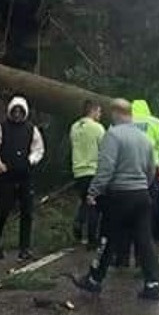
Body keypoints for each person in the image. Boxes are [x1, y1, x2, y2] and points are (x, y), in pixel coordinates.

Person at [72, 99, 159, 299]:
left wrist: (93, 191)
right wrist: (143, 186)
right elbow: (151, 169)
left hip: (119, 195)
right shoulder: (144, 138)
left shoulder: (113, 136)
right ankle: (152, 283)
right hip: (141, 196)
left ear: (116, 113)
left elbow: (106, 168)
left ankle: (94, 279)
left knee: (107, 238)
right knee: (144, 240)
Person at [113, 99, 159, 267]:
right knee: (144, 218)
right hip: (149, 173)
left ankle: (121, 259)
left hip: (124, 173)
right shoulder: (153, 122)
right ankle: (142, 260)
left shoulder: (121, 123)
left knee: (122, 218)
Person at [0, 95, 45, 261]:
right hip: (7, 176)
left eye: (20, 111)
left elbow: (39, 149)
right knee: (3, 211)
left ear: (24, 112)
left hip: (25, 175)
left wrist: (31, 160)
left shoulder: (31, 129)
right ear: (10, 111)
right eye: (14, 111)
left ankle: (24, 248)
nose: (17, 114)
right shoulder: (1, 128)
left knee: (27, 213)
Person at [70, 100, 105, 250]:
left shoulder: (74, 127)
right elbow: (105, 149)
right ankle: (92, 239)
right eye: (99, 112)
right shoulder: (97, 128)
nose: (100, 115)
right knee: (95, 206)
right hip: (93, 170)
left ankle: (78, 222)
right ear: (94, 111)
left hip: (78, 171)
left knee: (84, 200)